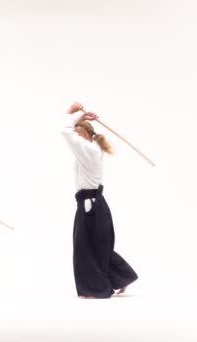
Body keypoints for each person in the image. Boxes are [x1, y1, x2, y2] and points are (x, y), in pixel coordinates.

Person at [60, 102, 138, 299]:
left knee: (84, 247)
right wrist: (79, 118)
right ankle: (122, 277)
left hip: (91, 207)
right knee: (97, 245)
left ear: (85, 135)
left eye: (78, 135)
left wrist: (70, 113)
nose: (75, 140)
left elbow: (64, 131)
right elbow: (69, 132)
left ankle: (94, 290)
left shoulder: (89, 150)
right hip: (92, 205)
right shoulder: (89, 149)